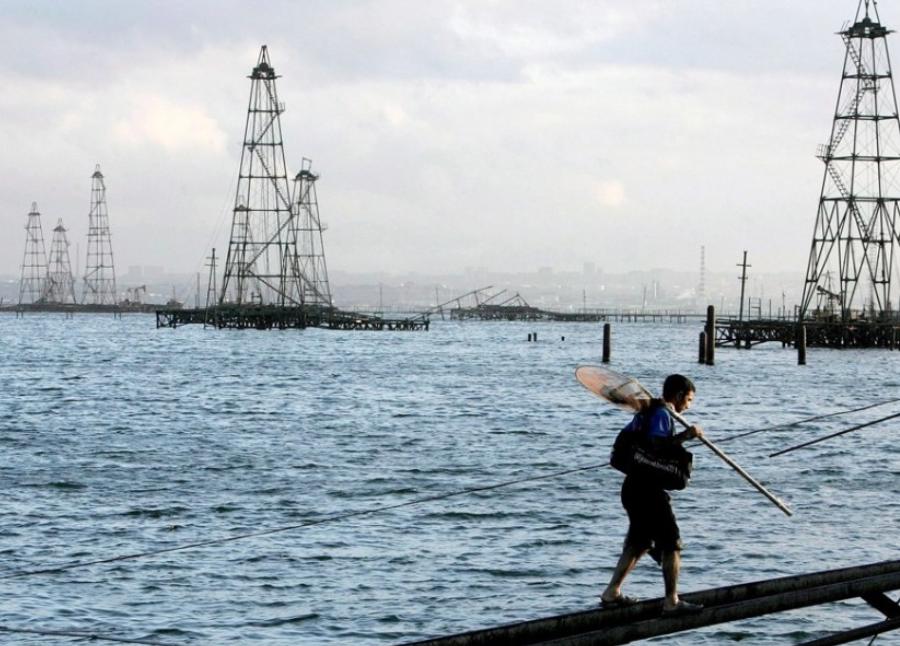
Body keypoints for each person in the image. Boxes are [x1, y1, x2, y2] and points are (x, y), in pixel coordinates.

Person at [600, 374, 704, 616]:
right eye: (688, 400)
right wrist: (685, 437)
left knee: (640, 542)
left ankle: (611, 592)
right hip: (646, 490)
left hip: (633, 487)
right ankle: (672, 602)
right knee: (671, 543)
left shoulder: (649, 412)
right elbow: (655, 446)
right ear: (678, 396)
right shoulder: (660, 414)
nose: (688, 406)